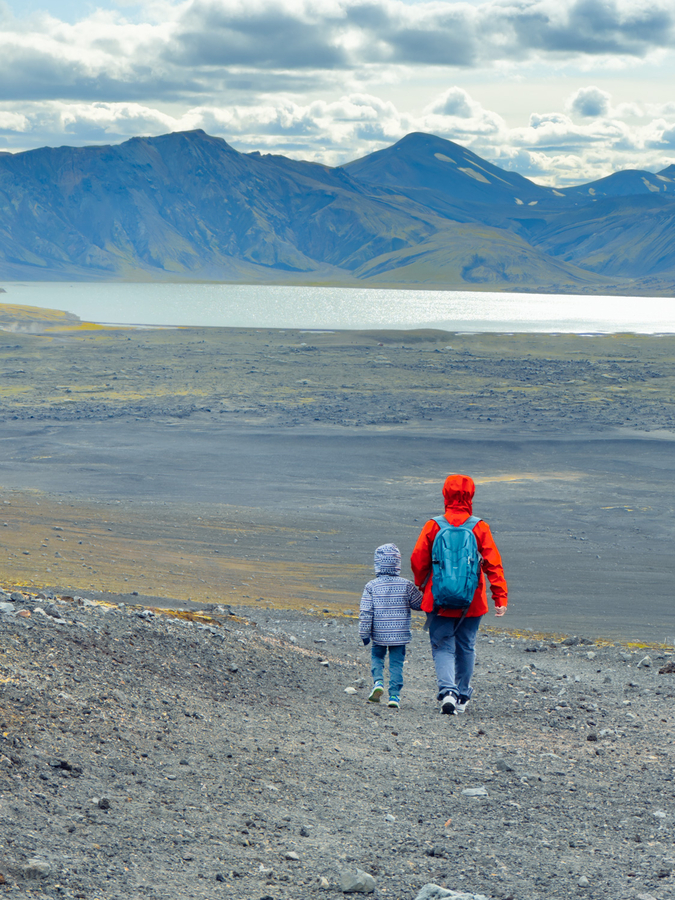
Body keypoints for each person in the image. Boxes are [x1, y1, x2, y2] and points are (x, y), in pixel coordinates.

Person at [411, 474, 507, 716]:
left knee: (443, 645)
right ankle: (462, 695)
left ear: (445, 494)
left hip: (439, 599)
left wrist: (421, 586)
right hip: (472, 602)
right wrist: (500, 597)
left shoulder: (433, 525)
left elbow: (418, 560)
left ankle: (447, 693)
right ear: (471, 495)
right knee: (466, 646)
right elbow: (493, 564)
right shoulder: (479, 527)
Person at [359, 543, 423, 709]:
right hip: (399, 634)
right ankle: (394, 695)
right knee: (396, 664)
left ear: (378, 563)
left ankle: (378, 682)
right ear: (397, 563)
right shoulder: (406, 585)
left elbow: (366, 612)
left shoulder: (371, 586)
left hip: (378, 634)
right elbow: (419, 604)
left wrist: (364, 633)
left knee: (377, 657)